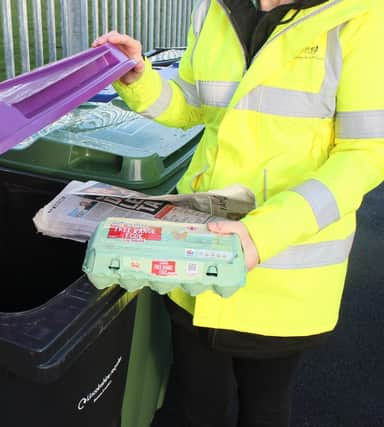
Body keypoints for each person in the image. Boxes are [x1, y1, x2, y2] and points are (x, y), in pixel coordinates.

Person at [93, 0, 384, 426]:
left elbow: (365, 154)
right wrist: (141, 80)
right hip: (197, 256)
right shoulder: (213, 9)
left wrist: (262, 234)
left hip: (281, 278)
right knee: (195, 402)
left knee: (263, 408)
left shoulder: (363, 17)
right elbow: (192, 104)